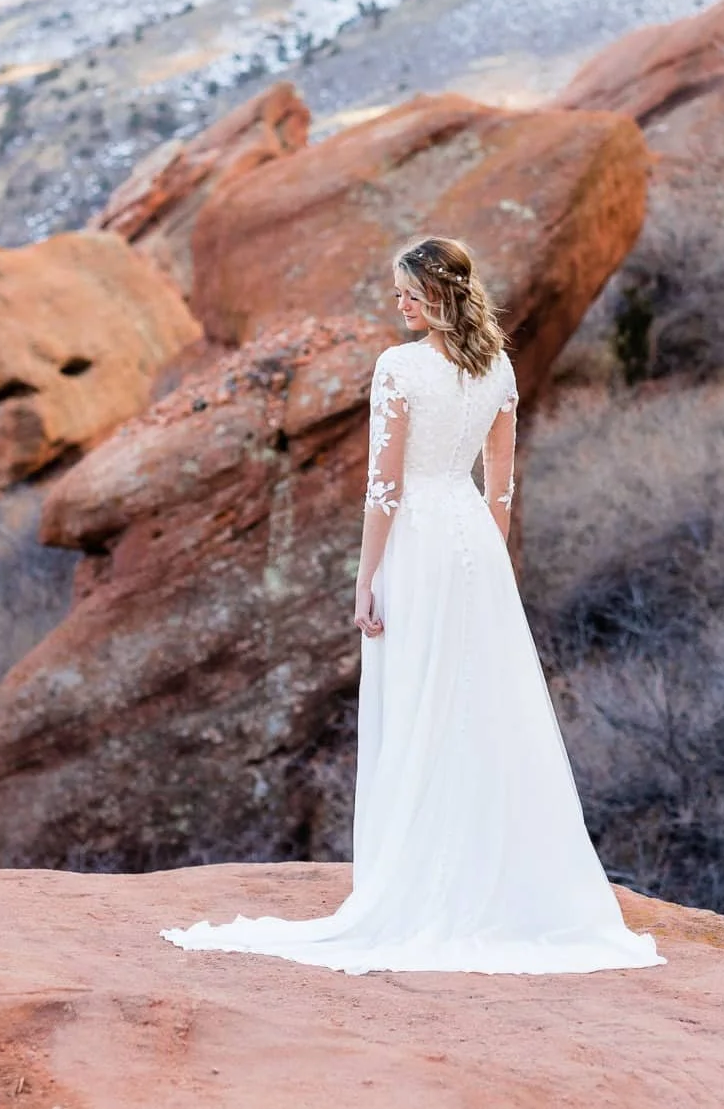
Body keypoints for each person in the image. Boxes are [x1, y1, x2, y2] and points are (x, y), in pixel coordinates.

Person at [162, 237, 662, 975]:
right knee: (479, 705)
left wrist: (366, 576)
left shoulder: (398, 367)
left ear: (435, 293)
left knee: (419, 700)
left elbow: (384, 486)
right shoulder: (497, 367)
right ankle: (489, 874)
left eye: (405, 292)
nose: (396, 305)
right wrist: (488, 561)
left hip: (419, 544)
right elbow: (501, 486)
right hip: (471, 543)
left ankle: (423, 876)